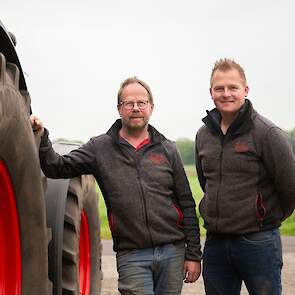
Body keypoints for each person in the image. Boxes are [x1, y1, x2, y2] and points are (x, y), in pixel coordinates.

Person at [31, 77, 202, 295]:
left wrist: (194, 255)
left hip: (172, 252)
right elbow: (56, 167)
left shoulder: (167, 149)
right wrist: (42, 135)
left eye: (141, 103)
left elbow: (186, 204)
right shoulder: (99, 148)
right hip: (132, 256)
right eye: (129, 103)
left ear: (151, 107)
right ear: (119, 108)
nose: (136, 108)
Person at [195, 58, 295, 295]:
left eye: (233, 87)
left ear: (246, 90)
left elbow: (290, 186)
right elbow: (205, 182)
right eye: (219, 88)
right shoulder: (203, 135)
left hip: (258, 242)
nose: (226, 93)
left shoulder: (267, 133)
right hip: (216, 243)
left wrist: (264, 218)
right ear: (211, 92)